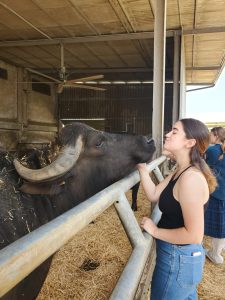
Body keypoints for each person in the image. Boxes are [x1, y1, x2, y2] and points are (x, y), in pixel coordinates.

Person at [137, 118, 217, 300]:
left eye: (174, 131)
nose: (167, 134)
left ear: (190, 143)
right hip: (178, 257)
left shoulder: (191, 179)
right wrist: (142, 169)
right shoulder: (180, 170)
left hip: (178, 259)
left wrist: (155, 231)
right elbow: (154, 194)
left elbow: (194, 235)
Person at [204, 126, 225, 264]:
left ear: (216, 135)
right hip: (223, 193)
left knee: (202, 219)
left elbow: (203, 167)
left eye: (211, 134)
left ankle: (197, 247)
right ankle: (216, 254)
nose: (209, 136)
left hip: (214, 192)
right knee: (222, 224)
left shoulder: (212, 150)